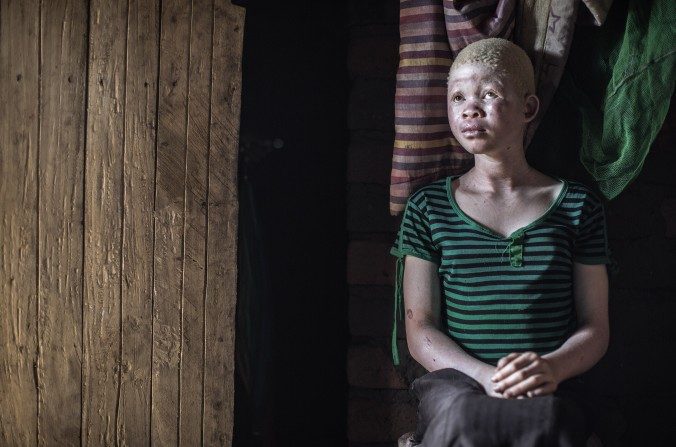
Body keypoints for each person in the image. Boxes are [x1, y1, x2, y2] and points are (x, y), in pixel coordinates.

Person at [391, 38, 611, 446]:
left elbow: (595, 327)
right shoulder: (428, 208)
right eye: (457, 96)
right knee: (466, 417)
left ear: (528, 109)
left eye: (488, 94)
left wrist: (550, 369)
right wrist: (485, 377)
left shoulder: (577, 206)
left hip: (551, 381)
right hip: (457, 384)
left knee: (544, 422)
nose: (469, 108)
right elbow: (420, 329)